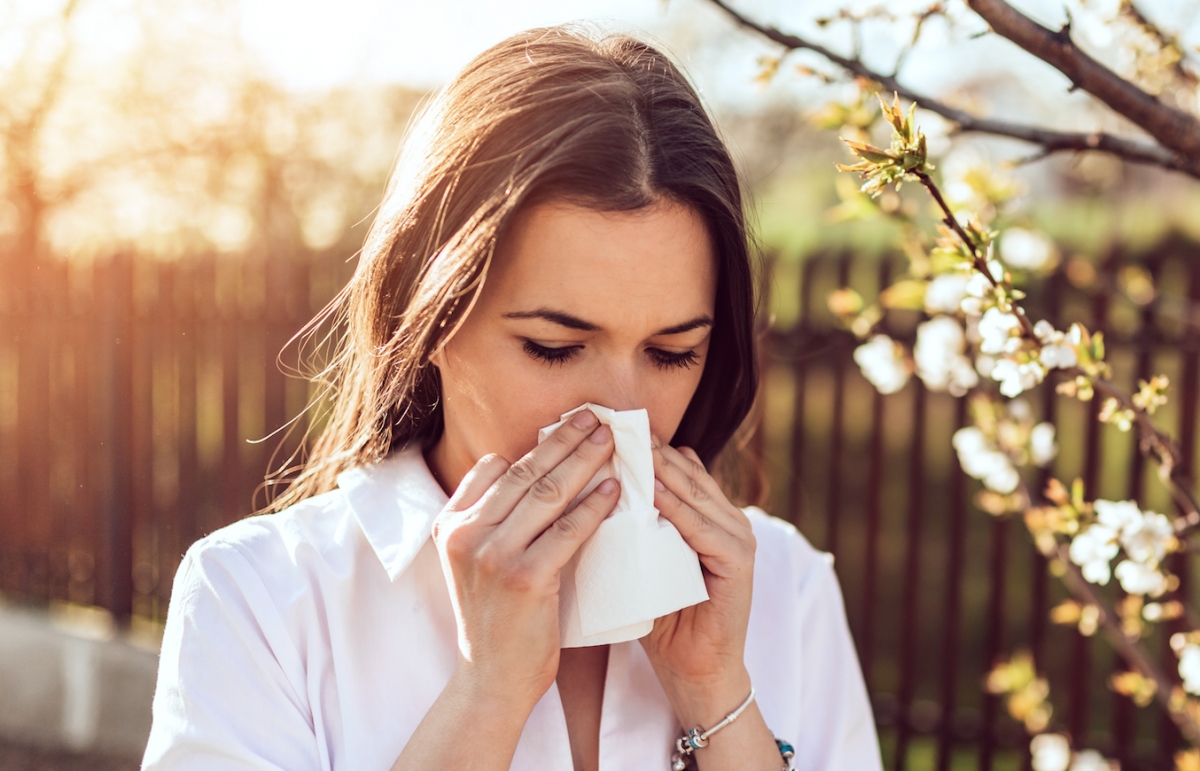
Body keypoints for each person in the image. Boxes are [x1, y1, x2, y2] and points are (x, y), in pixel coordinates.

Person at [141, 24, 882, 771]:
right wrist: (487, 692)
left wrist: (716, 692)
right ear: (430, 318)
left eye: (671, 353)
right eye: (553, 347)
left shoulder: (786, 587)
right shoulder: (261, 599)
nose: (620, 414)